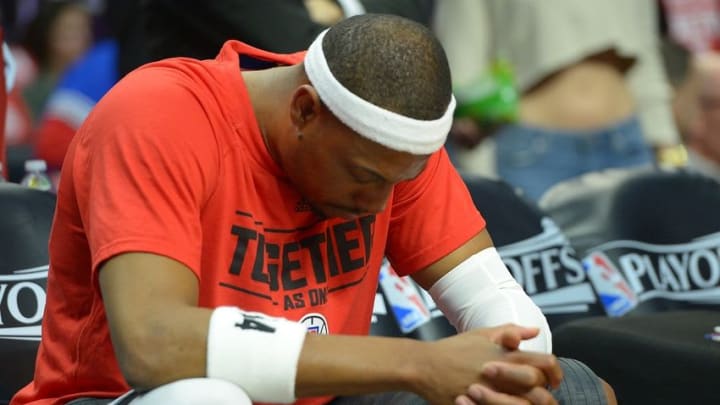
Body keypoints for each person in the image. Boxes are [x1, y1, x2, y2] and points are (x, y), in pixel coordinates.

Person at [12, 14, 614, 405]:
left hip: (315, 395)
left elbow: (508, 318)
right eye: (364, 179)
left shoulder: (387, 144)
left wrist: (516, 368)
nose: (378, 203)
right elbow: (154, 347)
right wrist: (415, 363)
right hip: (124, 396)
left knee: (576, 390)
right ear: (303, 111)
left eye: (399, 180)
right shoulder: (160, 114)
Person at [434, 0, 682, 202]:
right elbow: (462, 71)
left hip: (629, 146)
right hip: (533, 157)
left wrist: (670, 155)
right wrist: (482, 185)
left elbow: (646, 53)